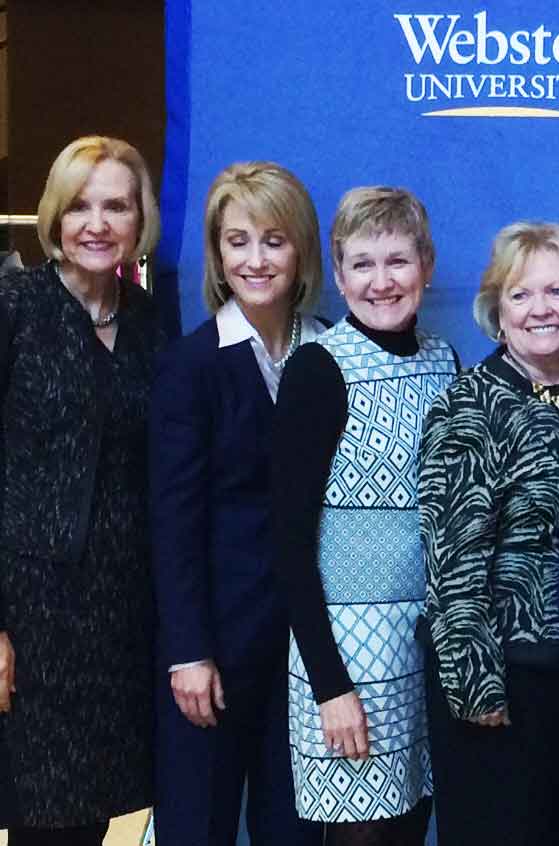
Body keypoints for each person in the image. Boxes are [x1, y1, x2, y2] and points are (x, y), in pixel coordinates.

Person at [418, 222, 559, 844]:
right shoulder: (469, 406)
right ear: (497, 311)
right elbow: (453, 565)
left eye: (557, 291)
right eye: (520, 295)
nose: (541, 309)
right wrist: (480, 688)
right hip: (504, 685)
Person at [271, 186, 456, 843]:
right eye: (363, 264)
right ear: (340, 275)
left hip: (425, 651)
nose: (382, 282)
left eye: (398, 261)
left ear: (426, 267)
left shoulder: (445, 364)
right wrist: (330, 687)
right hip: (349, 658)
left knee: (412, 826)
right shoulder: (319, 370)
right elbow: (289, 543)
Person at [149, 161, 326, 846]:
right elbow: (174, 519)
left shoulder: (331, 350)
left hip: (306, 651)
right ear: (218, 254)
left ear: (302, 248)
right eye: (238, 241)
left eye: (274, 240)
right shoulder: (190, 367)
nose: (255, 260)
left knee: (294, 832)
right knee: (200, 828)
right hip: (214, 649)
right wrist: (188, 650)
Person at [0, 135, 164, 845]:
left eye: (116, 206)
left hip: (119, 623)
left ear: (140, 221)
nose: (96, 224)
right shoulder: (14, 305)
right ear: (54, 217)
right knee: (38, 823)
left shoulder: (153, 321)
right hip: (27, 621)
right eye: (80, 207)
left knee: (88, 822)